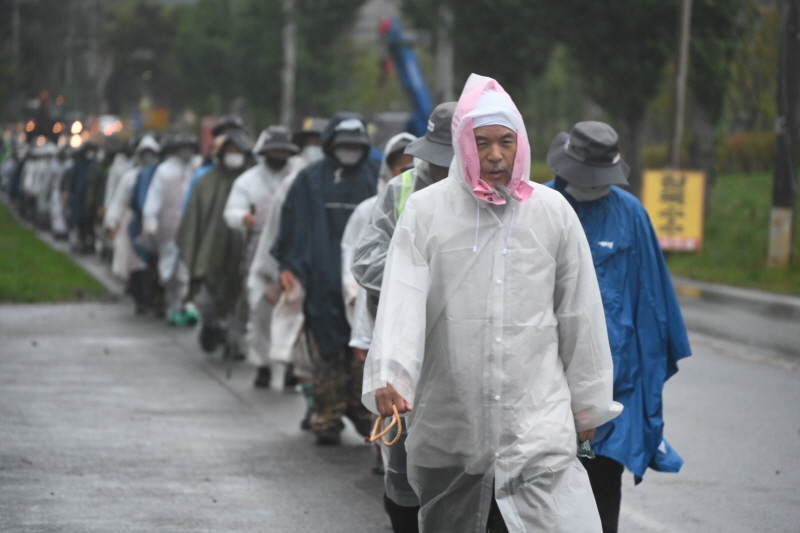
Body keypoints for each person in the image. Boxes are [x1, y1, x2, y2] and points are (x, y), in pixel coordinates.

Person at [362, 74, 622, 533]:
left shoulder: (552, 212)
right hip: (453, 422)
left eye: (506, 141)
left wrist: (588, 405)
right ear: (463, 145)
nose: (496, 154)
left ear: (521, 143)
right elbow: (401, 300)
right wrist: (391, 376)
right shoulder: (426, 212)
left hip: (536, 420)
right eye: (482, 143)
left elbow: (579, 312)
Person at [544, 121, 692, 533]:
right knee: (542, 487)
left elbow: (653, 309)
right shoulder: (539, 205)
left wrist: (644, 394)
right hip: (543, 382)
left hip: (611, 391)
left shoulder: (631, 215)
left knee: (598, 478)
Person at [350, 102, 456, 533]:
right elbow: (364, 261)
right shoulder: (401, 190)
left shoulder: (493, 194)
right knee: (404, 460)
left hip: (460, 349)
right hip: (406, 348)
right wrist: (416, 278)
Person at [271, 113, 379, 445]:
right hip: (320, 278)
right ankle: (327, 414)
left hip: (362, 283)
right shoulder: (308, 181)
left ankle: (363, 414)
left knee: (364, 349)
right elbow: (292, 227)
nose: (349, 151)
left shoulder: (374, 179)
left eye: (354, 146)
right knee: (327, 350)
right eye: (342, 145)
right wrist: (289, 266)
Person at [246, 117, 328, 422]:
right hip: (302, 274)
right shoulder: (296, 183)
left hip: (341, 279)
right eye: (311, 145)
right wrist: (272, 272)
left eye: (321, 144)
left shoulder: (365, 180)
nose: (316, 150)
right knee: (303, 341)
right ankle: (314, 406)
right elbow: (276, 234)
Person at [223, 125, 300, 387]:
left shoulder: (299, 178)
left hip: (293, 257)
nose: (279, 154)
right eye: (274, 150)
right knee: (259, 313)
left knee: (293, 314)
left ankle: (291, 365)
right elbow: (231, 211)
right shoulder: (247, 181)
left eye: (283, 150)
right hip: (257, 256)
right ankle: (263, 364)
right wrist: (242, 218)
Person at [176, 129, 252, 356]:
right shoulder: (205, 181)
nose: (234, 155)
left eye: (239, 151)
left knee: (241, 300)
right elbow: (193, 218)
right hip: (210, 252)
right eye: (230, 151)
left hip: (243, 251)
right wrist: (191, 249)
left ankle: (234, 341)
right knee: (206, 299)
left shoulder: (251, 181)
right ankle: (211, 326)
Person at [142, 133, 201, 325]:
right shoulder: (164, 172)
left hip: (194, 232)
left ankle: (189, 307)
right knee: (169, 274)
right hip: (169, 231)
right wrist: (151, 223)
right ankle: (173, 307)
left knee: (189, 272)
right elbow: (153, 199)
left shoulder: (198, 169)